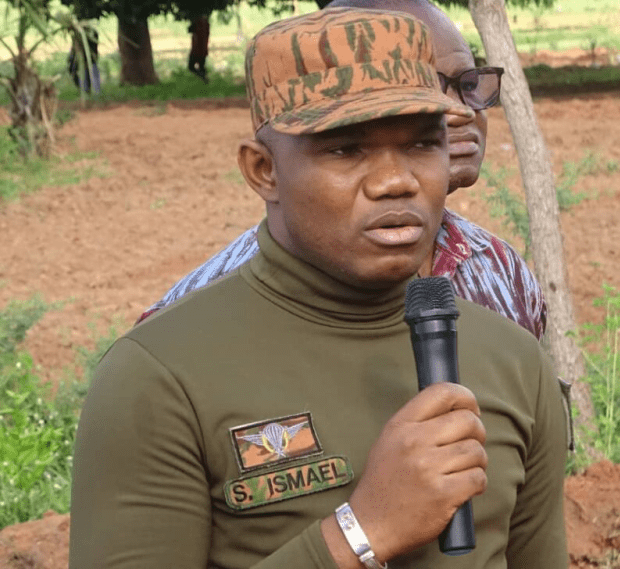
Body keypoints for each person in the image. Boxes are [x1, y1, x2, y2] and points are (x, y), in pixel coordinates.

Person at [70, 8, 568, 569]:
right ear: (263, 170)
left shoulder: (514, 361)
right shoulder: (158, 377)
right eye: (345, 150)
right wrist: (361, 531)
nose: (396, 181)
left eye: (422, 145)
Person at [137, 0, 548, 344]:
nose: (459, 113)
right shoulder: (182, 335)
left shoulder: (499, 270)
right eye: (347, 149)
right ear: (264, 170)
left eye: (468, 84)